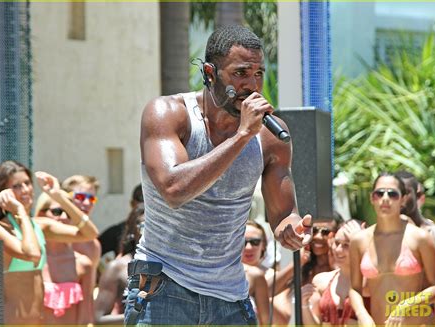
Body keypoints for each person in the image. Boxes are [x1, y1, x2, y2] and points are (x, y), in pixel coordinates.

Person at [124, 24, 312, 326]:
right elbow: (174, 189)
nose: (252, 85)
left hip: (229, 295)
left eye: (258, 73)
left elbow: (284, 213)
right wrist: (240, 137)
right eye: (240, 74)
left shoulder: (270, 136)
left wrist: (291, 229)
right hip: (165, 288)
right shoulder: (168, 114)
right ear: (210, 73)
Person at [0, 161, 98, 324]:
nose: (26, 189)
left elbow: (89, 233)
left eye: (27, 183)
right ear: (3, 192)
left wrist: (59, 197)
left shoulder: (39, 226)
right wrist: (20, 210)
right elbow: (33, 254)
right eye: (17, 186)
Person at [349, 172, 435, 326]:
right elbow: (354, 288)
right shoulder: (359, 241)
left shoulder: (420, 238)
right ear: (372, 198)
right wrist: (362, 314)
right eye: (379, 193)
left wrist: (405, 306)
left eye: (392, 194)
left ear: (403, 199)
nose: (385, 198)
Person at [35, 192, 93, 325]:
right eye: (57, 211)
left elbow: (85, 319)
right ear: (40, 215)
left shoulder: (83, 264)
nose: (63, 217)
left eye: (69, 213)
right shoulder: (28, 260)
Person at [301, 220, 363, 326]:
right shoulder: (321, 281)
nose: (338, 250)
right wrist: (304, 305)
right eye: (337, 243)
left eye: (346, 245)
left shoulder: (371, 282)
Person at [94, 207, 145, 325]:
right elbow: (98, 319)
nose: (149, 232)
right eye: (143, 227)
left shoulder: (173, 267)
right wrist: (144, 316)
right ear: (133, 232)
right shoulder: (117, 268)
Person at [61, 174, 102, 315]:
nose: (86, 203)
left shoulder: (93, 246)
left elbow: (88, 293)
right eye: (80, 197)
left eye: (91, 198)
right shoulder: (49, 233)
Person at [396, 170, 435, 257]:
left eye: (405, 192)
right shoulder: (379, 235)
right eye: (394, 193)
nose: (400, 197)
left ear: (417, 195)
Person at [99, 184, 144, 258]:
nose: (145, 204)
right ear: (132, 203)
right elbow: (92, 251)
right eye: (141, 198)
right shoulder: (118, 231)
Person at [241, 221, 270, 325]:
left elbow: (266, 322)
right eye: (242, 242)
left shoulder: (259, 275)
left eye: (255, 242)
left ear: (264, 244)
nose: (248, 247)